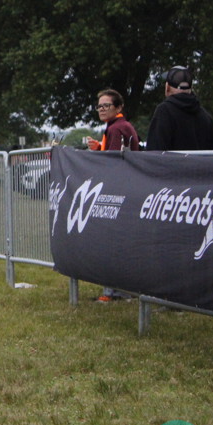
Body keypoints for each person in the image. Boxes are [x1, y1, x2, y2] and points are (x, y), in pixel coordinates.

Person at [84, 90, 140, 301]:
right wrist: (100, 147)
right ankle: (117, 289)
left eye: (106, 105)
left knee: (112, 242)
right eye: (99, 106)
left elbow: (113, 161)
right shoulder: (117, 127)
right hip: (125, 189)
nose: (102, 109)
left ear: (118, 107)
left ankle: (114, 291)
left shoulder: (117, 128)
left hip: (118, 192)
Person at [145, 66, 213, 151]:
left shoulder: (164, 111)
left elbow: (154, 151)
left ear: (167, 87)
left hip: (171, 160)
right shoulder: (205, 117)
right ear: (191, 88)